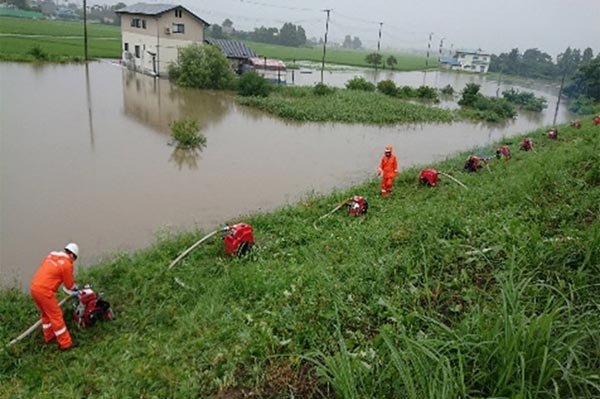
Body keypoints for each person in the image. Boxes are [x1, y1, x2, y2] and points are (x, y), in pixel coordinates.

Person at [30, 243, 80, 351]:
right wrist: (76, 289)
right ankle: (66, 344)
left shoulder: (51, 256)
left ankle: (49, 337)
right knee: (56, 316)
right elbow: (69, 285)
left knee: (46, 314)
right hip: (45, 291)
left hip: (34, 287)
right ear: (72, 256)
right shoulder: (66, 264)